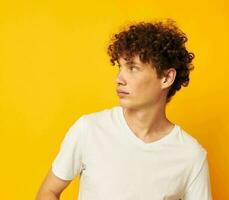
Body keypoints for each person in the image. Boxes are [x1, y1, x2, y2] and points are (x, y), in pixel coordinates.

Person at [36, 19, 213, 200]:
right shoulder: (89, 129)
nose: (119, 79)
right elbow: (47, 192)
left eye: (133, 68)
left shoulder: (191, 156)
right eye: (120, 67)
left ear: (167, 78)